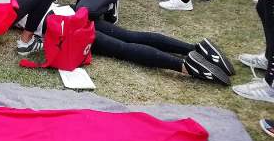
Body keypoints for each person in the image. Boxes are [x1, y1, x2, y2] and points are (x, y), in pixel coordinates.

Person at [92, 18, 233, 85]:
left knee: (121, 48)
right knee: (130, 36)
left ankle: (187, 66)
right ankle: (197, 49)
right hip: (81, 12)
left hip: (77, 27)